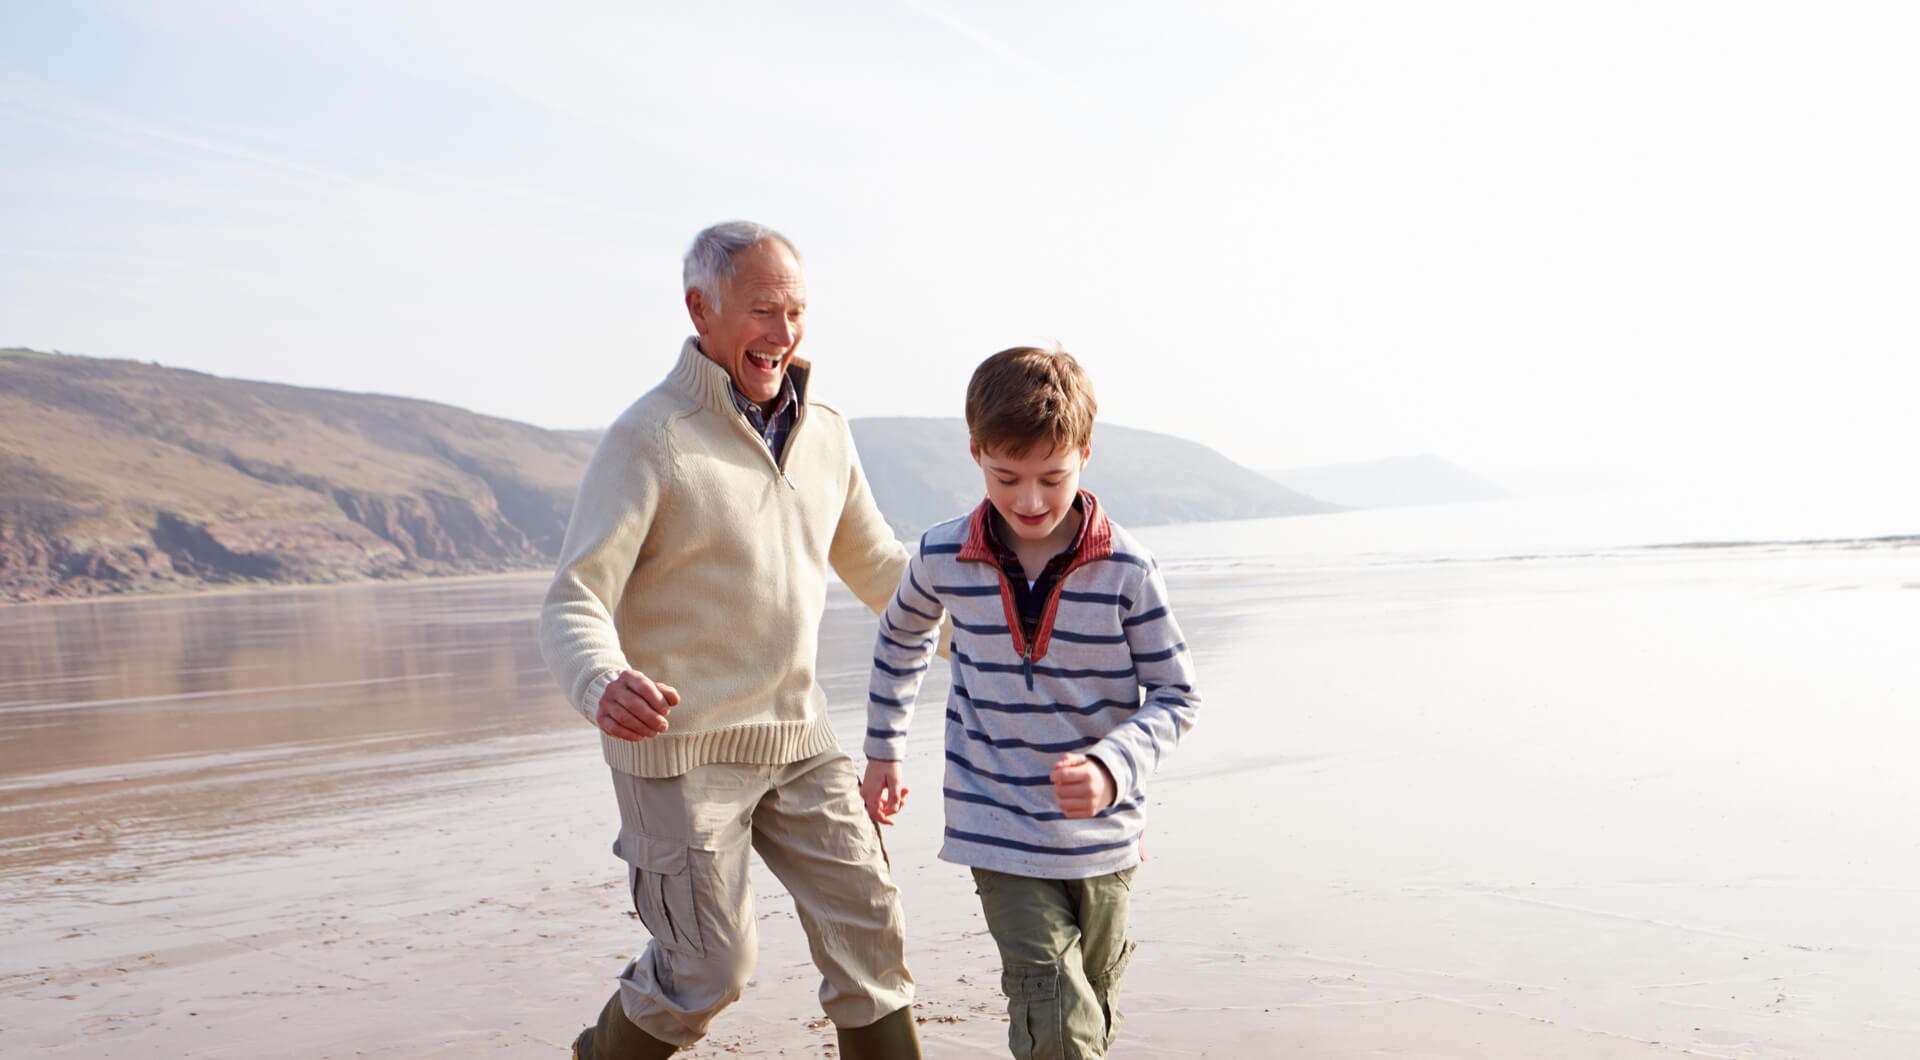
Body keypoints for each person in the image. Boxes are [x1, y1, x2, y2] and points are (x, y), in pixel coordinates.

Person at [541, 221, 928, 1060]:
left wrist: (1001, 610)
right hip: (681, 750)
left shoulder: (825, 428)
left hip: (800, 735)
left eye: (795, 312)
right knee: (707, 970)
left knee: (872, 931)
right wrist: (601, 678)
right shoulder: (650, 438)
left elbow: (883, 570)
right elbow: (575, 596)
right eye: (763, 311)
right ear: (700, 309)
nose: (783, 335)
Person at [860, 346, 1201, 1059]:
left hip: (1106, 834)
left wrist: (1112, 769)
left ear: (1084, 453)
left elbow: (1175, 694)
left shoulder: (1129, 570)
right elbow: (899, 642)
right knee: (1051, 996)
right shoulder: (942, 556)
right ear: (976, 452)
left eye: (1052, 477)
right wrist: (884, 750)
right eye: (1006, 477)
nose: (1030, 500)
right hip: (999, 827)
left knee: (1094, 993)